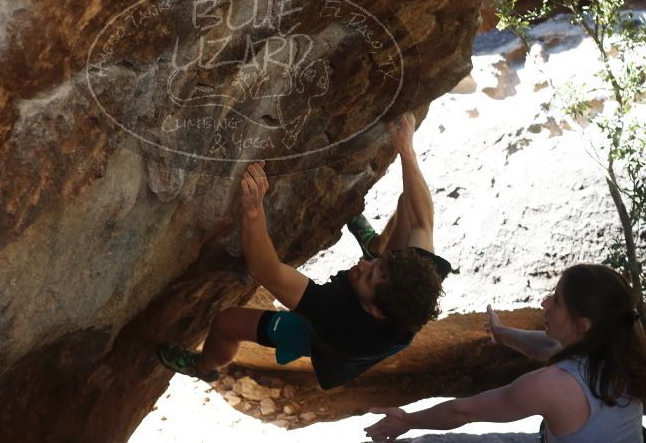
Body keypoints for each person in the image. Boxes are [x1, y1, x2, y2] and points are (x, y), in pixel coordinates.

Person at [158, 112, 453, 389]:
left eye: (368, 275)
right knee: (407, 206)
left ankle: (205, 367)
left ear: (374, 310)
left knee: (227, 322)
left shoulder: (335, 317)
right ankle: (376, 246)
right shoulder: (418, 280)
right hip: (379, 311)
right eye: (376, 264)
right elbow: (423, 218)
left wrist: (252, 211)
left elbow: (266, 271)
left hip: (325, 343)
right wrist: (406, 151)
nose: (362, 266)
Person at [364, 263, 646, 442]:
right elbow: (548, 346)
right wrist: (503, 334)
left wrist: (408, 420)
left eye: (557, 301)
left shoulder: (552, 386)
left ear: (583, 325)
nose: (545, 302)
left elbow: (464, 412)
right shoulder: (620, 351)